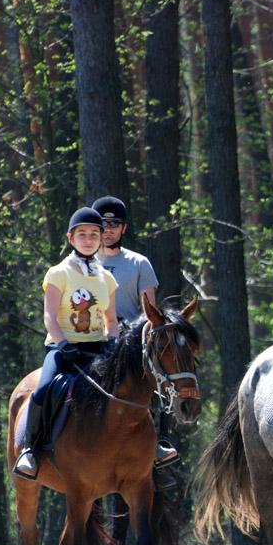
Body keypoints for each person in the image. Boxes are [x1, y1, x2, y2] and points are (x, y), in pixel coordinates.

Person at [13, 207, 119, 479]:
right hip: (63, 350)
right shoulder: (58, 272)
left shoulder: (106, 278)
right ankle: (30, 450)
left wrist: (114, 344)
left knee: (133, 386)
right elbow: (49, 316)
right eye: (82, 234)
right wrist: (63, 345)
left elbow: (111, 320)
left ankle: (153, 446)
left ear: (101, 238)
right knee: (44, 388)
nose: (88, 239)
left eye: (94, 234)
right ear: (71, 238)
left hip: (98, 350)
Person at [91, 195, 176, 469]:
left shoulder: (139, 263)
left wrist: (125, 335)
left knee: (159, 379)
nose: (109, 228)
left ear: (124, 228)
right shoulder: (82, 262)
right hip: (91, 336)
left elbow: (148, 310)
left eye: (115, 223)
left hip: (129, 342)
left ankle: (159, 442)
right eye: (103, 224)